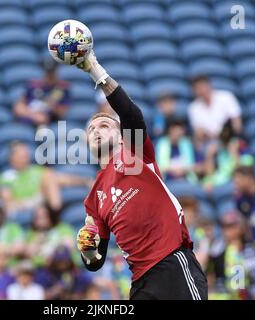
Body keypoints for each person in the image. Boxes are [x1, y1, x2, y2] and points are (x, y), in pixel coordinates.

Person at [75, 50, 207, 299]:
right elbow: (96, 261)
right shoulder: (94, 198)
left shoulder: (135, 153)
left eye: (105, 125)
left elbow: (130, 114)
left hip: (172, 265)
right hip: (140, 282)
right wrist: (88, 251)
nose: (96, 130)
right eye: (91, 129)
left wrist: (95, 70)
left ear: (120, 135)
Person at [0, 141, 92, 214]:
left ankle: (55, 211)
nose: (25, 157)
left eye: (25, 154)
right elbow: (8, 201)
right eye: (21, 155)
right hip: (24, 205)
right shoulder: (8, 176)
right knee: (49, 176)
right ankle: (55, 213)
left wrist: (85, 181)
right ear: (11, 158)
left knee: (50, 175)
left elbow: (60, 179)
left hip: (42, 201)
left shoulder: (36, 170)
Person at [207, 211, 255, 300]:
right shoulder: (216, 248)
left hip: (251, 291)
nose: (226, 230)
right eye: (224, 226)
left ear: (241, 228)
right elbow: (209, 272)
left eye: (230, 226)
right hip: (223, 293)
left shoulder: (254, 247)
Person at [13, 57, 70, 127]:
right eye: (47, 72)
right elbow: (18, 107)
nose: (49, 75)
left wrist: (52, 105)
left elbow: (62, 113)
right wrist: (34, 115)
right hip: (26, 120)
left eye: (52, 72)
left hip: (46, 125)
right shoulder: (32, 85)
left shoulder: (62, 89)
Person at [188, 75, 242, 143]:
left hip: (231, 138)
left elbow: (237, 125)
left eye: (202, 87)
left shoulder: (226, 97)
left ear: (208, 85)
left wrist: (223, 135)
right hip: (209, 143)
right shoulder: (193, 107)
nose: (201, 91)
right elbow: (198, 133)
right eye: (197, 88)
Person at [203, 120, 253, 191]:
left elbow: (244, 173)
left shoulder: (244, 151)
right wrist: (209, 157)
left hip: (233, 186)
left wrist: (234, 153)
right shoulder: (221, 152)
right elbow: (210, 175)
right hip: (219, 184)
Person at [155, 116, 198, 183]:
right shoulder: (162, 144)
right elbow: (159, 167)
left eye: (181, 129)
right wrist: (173, 170)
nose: (179, 132)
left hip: (186, 180)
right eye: (176, 129)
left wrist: (182, 170)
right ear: (170, 130)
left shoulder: (186, 143)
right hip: (167, 181)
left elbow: (191, 165)